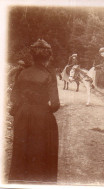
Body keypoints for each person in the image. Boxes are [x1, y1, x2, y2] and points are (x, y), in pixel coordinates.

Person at [8, 39, 60, 184]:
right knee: (40, 153)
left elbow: (13, 97)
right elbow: (55, 104)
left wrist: (24, 107)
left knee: (21, 150)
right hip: (41, 116)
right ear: (48, 57)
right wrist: (43, 109)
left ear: (33, 56)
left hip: (22, 116)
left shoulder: (22, 73)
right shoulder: (50, 75)